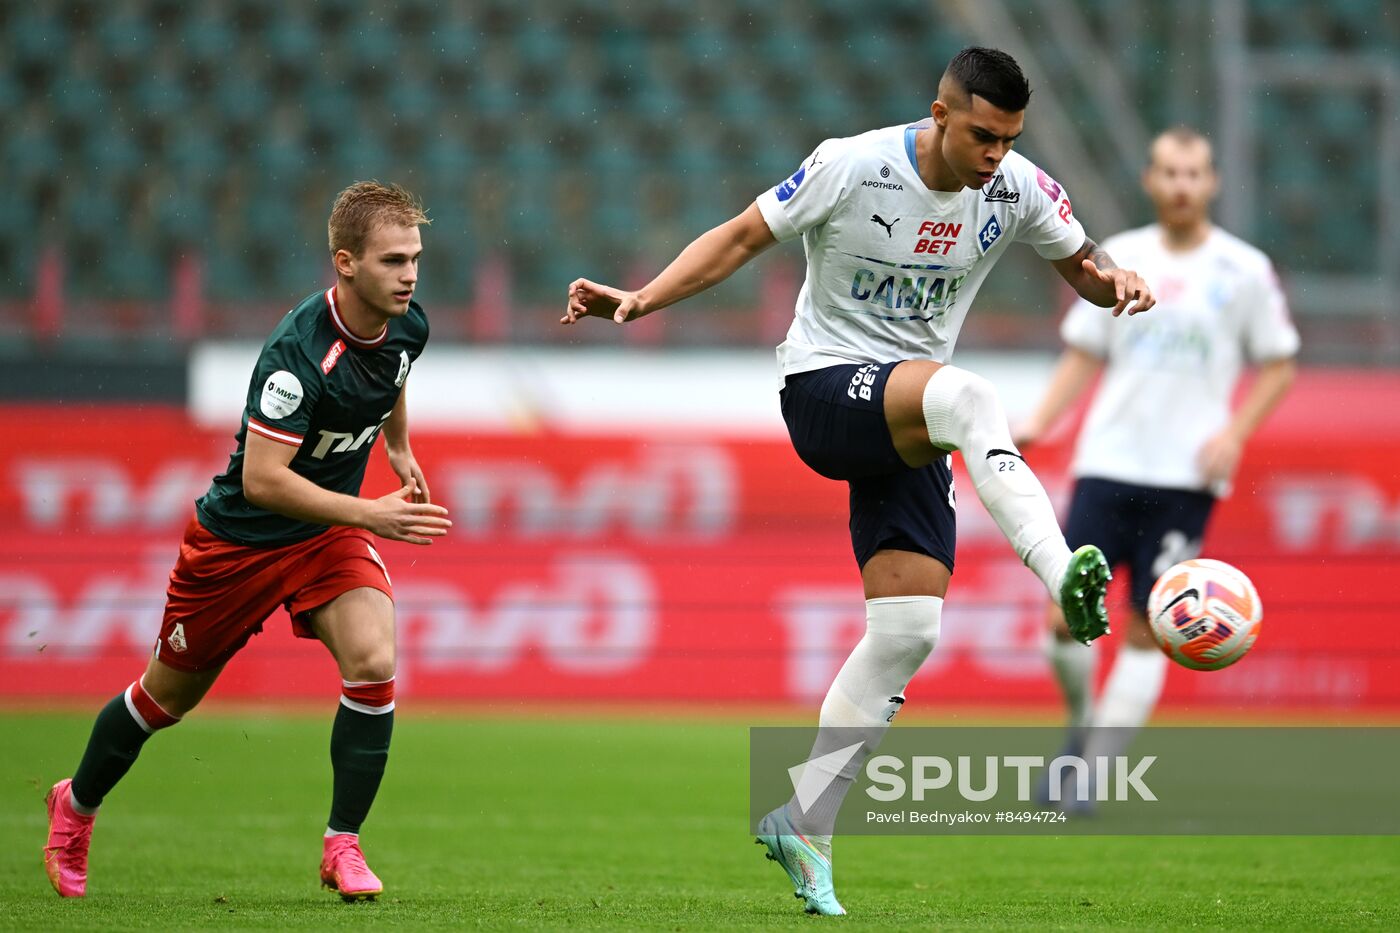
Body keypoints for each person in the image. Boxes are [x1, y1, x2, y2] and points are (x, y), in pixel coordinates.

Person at [563, 47, 1155, 915]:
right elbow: (738, 236)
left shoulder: (1017, 186)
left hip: (910, 418)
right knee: (969, 394)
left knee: (909, 627)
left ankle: (804, 818)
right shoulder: (853, 163)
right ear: (941, 112)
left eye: (1009, 140)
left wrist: (1120, 284)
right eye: (983, 136)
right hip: (826, 391)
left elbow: (1085, 266)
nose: (995, 156)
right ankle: (1061, 572)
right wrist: (642, 300)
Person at [42, 181, 452, 901]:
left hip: (323, 535)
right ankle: (75, 805)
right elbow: (264, 480)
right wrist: (368, 513)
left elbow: (394, 374)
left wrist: (401, 447)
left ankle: (342, 844)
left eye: (415, 257)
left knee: (374, 656)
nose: (410, 274)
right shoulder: (298, 355)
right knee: (163, 701)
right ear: (346, 262)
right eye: (393, 261)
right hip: (239, 543)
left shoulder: (408, 323)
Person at [1016, 127, 1298, 792]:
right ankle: (1081, 726)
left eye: (1193, 173)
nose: (1180, 185)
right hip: (1108, 460)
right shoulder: (1125, 258)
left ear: (1212, 182)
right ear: (1150, 180)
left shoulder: (1245, 269)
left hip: (1186, 477)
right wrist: (1040, 420)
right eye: (1169, 172)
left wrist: (1235, 433)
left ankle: (1090, 775)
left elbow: (1279, 364)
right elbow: (1086, 350)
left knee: (1152, 624)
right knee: (1066, 613)